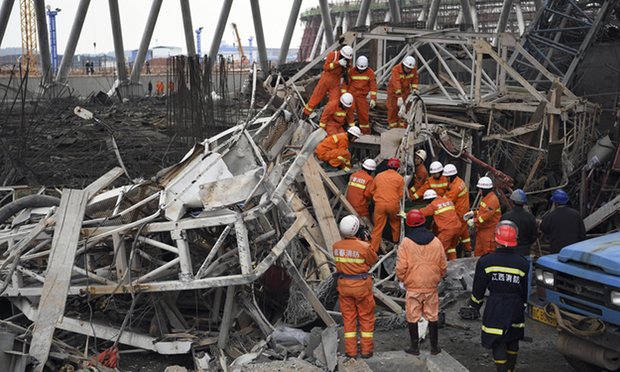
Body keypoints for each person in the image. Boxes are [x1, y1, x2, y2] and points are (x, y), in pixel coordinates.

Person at [467, 221, 528, 372]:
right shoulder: (523, 263)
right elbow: (525, 290)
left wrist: (475, 305)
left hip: (496, 305)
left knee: (497, 341)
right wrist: (523, 306)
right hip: (516, 305)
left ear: (496, 239)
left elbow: (478, 289)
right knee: (513, 338)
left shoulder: (487, 261)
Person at [396, 209, 446, 355]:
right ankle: (434, 347)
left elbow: (401, 266)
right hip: (431, 285)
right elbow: (443, 264)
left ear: (409, 225)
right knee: (432, 316)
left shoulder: (406, 243)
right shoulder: (436, 241)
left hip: (413, 286)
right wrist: (438, 277)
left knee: (412, 316)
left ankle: (414, 347)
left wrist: (402, 279)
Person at [333, 215, 378, 358]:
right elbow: (373, 260)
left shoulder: (336, 247)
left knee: (349, 319)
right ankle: (366, 351)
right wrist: (365, 240)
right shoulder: (364, 247)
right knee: (365, 317)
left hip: (344, 286)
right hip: (361, 287)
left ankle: (351, 351)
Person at [304, 45, 353, 117]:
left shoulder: (348, 60)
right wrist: (337, 63)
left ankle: (330, 118)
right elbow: (326, 67)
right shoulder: (333, 55)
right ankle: (306, 113)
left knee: (334, 100)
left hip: (336, 81)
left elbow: (347, 73)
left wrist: (346, 67)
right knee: (317, 96)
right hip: (326, 78)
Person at [367, 158, 404, 252]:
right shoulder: (400, 178)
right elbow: (400, 195)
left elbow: (371, 191)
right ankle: (395, 243)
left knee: (378, 228)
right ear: (397, 168)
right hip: (393, 204)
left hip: (379, 205)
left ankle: (373, 250)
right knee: (395, 222)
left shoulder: (379, 176)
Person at [419, 189, 462, 260]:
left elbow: (421, 213)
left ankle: (437, 267)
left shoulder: (433, 205)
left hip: (447, 231)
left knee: (438, 250)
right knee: (451, 247)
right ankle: (454, 264)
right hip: (457, 227)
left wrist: (406, 215)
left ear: (429, 200)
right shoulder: (447, 200)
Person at [540, 189, 585, 254]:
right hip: (573, 251)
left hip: (557, 251)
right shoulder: (576, 214)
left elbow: (543, 228)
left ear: (555, 203)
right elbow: (582, 234)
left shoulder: (550, 216)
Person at [466, 176, 501, 257]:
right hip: (482, 230)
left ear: (484, 189)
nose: (479, 191)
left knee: (488, 254)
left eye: (480, 189)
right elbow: (483, 212)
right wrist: (473, 213)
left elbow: (486, 216)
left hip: (489, 232)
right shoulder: (486, 198)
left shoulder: (492, 200)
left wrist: (474, 221)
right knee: (478, 253)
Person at [443, 164, 472, 256]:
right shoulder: (459, 181)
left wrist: (437, 201)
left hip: (459, 214)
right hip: (463, 212)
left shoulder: (455, 187)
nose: (446, 179)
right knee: (464, 233)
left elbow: (448, 200)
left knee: (453, 241)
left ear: (451, 176)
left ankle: (453, 258)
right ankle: (468, 250)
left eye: (447, 177)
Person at [345, 56, 377, 134]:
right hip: (351, 94)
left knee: (363, 114)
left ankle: (365, 132)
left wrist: (373, 99)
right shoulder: (352, 71)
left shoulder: (370, 73)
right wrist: (344, 94)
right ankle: (351, 130)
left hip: (362, 96)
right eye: (359, 68)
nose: (360, 70)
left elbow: (373, 86)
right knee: (349, 111)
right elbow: (346, 83)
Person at [387, 55, 419, 128]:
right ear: (403, 65)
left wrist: (414, 88)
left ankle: (403, 128)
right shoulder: (396, 69)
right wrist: (399, 96)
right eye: (407, 68)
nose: (408, 70)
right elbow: (396, 82)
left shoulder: (413, 70)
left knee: (404, 111)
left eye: (410, 68)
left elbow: (415, 79)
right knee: (393, 110)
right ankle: (392, 128)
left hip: (405, 93)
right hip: (393, 93)